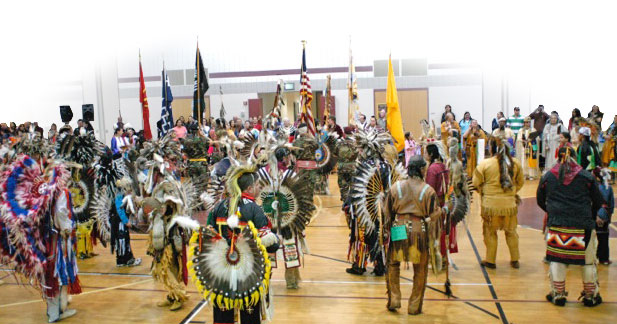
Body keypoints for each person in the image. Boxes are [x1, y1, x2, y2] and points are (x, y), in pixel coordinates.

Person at [205, 168, 278, 323]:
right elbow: (270, 245)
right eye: (257, 185)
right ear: (249, 188)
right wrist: (276, 239)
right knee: (249, 313)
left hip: (222, 271)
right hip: (248, 272)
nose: (259, 188)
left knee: (223, 313)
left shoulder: (219, 206)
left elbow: (208, 234)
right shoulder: (254, 209)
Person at [537, 146, 604, 307]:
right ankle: (590, 296)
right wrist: (590, 213)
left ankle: (558, 294)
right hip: (583, 226)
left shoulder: (548, 177)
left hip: (557, 226)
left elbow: (540, 200)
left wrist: (552, 211)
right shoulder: (586, 177)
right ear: (574, 157)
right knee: (587, 262)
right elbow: (598, 200)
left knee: (557, 260)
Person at [383, 155, 446, 315]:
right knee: (420, 268)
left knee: (393, 263)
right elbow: (433, 214)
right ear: (421, 169)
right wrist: (442, 211)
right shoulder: (427, 190)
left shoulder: (396, 187)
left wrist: (386, 230)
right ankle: (414, 306)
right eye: (424, 168)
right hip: (419, 230)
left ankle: (394, 299)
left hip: (399, 228)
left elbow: (387, 212)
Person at [473, 136, 524, 269]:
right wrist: (512, 192)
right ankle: (515, 259)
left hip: (490, 207)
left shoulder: (485, 164)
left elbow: (475, 183)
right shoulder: (516, 163)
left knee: (490, 232)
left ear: (492, 148)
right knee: (511, 232)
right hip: (509, 206)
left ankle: (490, 260)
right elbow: (520, 182)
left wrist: (483, 192)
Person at [424, 141, 457, 259]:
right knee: (442, 230)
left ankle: (436, 257)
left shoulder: (432, 169)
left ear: (431, 154)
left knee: (434, 231)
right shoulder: (443, 166)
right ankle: (442, 257)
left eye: (426, 153)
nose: (424, 155)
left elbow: (430, 188)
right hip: (443, 203)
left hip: (435, 204)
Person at [593, 168, 613, 265]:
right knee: (603, 238)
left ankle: (589, 258)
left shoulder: (593, 187)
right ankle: (603, 258)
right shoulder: (608, 188)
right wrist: (608, 217)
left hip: (594, 214)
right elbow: (611, 205)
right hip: (604, 215)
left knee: (589, 238)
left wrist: (595, 215)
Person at [336, 128, 358, 204]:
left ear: (344, 134)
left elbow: (335, 153)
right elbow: (358, 154)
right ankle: (352, 203)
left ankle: (345, 203)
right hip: (352, 167)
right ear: (352, 134)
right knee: (353, 186)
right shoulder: (355, 144)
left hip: (341, 167)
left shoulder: (339, 143)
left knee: (343, 187)